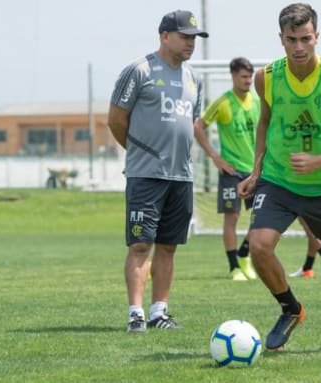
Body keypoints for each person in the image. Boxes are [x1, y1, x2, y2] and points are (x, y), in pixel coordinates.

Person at [237, 3, 321, 352]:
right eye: (291, 39)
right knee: (259, 246)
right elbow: (265, 120)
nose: (298, 47)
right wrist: (257, 170)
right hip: (279, 181)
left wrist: (320, 160)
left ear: (317, 37)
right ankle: (291, 309)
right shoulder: (266, 77)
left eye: (305, 39)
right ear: (280, 38)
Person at [108, 9, 208, 333]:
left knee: (169, 245)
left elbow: (190, 123)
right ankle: (135, 314)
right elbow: (116, 120)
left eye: (194, 38)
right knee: (140, 245)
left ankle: (159, 312)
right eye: (185, 36)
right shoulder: (138, 71)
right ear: (165, 36)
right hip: (146, 175)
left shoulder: (195, 78)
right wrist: (137, 156)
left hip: (181, 176)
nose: (191, 43)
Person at [193, 57, 260, 281]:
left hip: (255, 171)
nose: (248, 81)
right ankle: (234, 267)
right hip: (231, 171)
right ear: (233, 77)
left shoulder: (258, 103)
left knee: (260, 217)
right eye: (243, 77)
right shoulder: (222, 103)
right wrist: (216, 158)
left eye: (250, 76)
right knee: (232, 217)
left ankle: (245, 254)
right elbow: (198, 127)